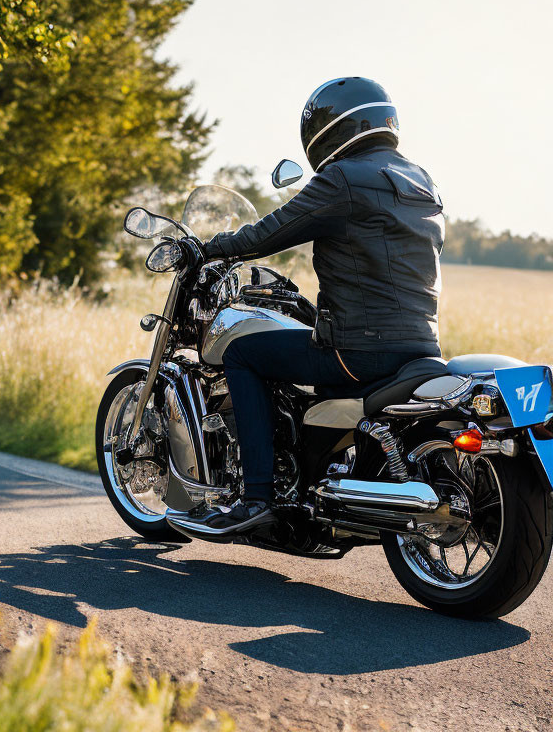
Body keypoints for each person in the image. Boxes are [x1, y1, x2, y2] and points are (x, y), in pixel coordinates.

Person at [174, 76, 445, 533]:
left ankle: (255, 495)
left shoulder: (343, 178)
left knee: (243, 353)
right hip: (421, 346)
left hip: (356, 350)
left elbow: (270, 232)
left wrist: (211, 247)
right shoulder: (422, 181)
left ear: (330, 129)